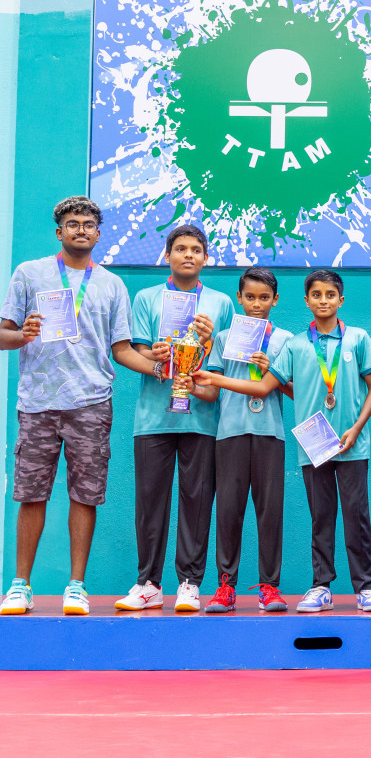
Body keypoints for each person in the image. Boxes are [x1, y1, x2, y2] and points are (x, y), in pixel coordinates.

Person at [0, 197, 157, 616]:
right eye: (73, 224)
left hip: (91, 403)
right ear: (60, 232)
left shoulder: (112, 284)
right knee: (31, 495)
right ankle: (20, 586)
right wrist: (24, 335)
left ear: (98, 234)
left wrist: (164, 368)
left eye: (88, 224)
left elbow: (122, 350)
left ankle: (76, 586)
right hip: (38, 402)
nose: (81, 229)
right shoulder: (29, 274)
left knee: (84, 496)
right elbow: (3, 335)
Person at [196, 269, 371, 613]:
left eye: (330, 294)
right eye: (317, 295)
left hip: (341, 440)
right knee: (317, 517)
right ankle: (316, 586)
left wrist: (357, 427)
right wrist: (209, 378)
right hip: (307, 441)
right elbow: (259, 386)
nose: (323, 301)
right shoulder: (290, 343)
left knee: (353, 515)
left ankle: (362, 587)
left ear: (341, 299)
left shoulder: (347, 339)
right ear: (306, 300)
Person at [116, 224, 235, 613]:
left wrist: (209, 340)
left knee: (197, 502)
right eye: (180, 248)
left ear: (205, 258)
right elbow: (137, 351)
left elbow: (227, 361)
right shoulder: (147, 298)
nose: (188, 255)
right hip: (153, 417)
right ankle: (148, 583)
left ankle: (189, 583)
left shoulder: (220, 303)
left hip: (202, 417)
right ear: (167, 255)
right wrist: (156, 359)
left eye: (196, 249)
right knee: (150, 502)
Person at [197, 268, 293, 613]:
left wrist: (273, 372)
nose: (256, 304)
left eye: (264, 298)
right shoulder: (223, 339)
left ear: (275, 300)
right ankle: (225, 586)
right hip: (231, 432)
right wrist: (187, 381)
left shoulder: (285, 340)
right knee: (228, 510)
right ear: (239, 298)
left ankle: (270, 587)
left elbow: (296, 393)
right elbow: (210, 390)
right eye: (249, 297)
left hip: (270, 433)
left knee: (270, 512)